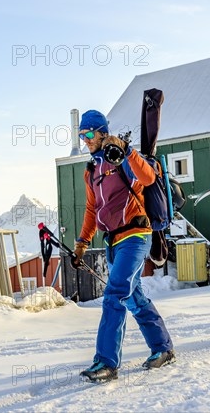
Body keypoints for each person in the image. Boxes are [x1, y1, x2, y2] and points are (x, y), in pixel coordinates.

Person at [73, 109, 175, 383]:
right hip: (112, 241)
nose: (86, 139)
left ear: (103, 132)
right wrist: (82, 241)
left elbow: (148, 178)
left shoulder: (119, 157)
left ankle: (106, 363)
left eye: (90, 133)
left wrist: (127, 150)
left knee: (114, 294)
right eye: (81, 135)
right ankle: (163, 348)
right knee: (133, 297)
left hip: (136, 235)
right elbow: (92, 208)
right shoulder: (92, 169)